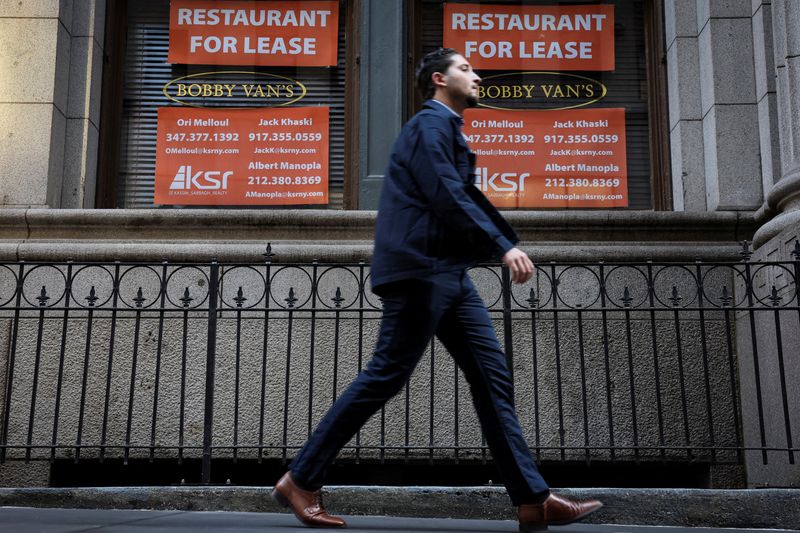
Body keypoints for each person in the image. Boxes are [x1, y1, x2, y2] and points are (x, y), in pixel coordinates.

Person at [272, 48, 603, 531]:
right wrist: (503, 246)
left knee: (493, 380)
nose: (477, 75)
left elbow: (463, 194)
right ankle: (300, 479)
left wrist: (503, 241)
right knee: (384, 375)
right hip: (420, 271)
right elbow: (447, 191)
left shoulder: (446, 128)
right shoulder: (429, 125)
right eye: (466, 68)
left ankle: (533, 499)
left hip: (447, 273)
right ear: (438, 78)